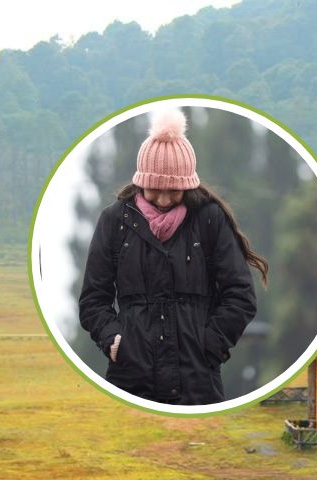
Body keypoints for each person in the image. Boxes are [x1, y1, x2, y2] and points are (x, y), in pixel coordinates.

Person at [79, 109, 267, 405]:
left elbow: (240, 295)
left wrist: (211, 346)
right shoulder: (114, 221)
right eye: (155, 190)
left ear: (188, 185)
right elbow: (93, 301)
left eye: (174, 191)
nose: (164, 200)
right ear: (141, 181)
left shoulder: (209, 219)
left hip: (197, 382)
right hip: (130, 379)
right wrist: (114, 340)